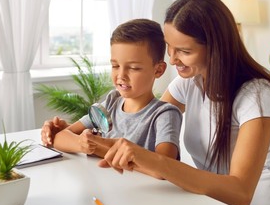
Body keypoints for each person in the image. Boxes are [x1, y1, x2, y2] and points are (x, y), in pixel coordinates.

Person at [42, 0, 270, 205]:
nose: (172, 59)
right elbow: (144, 121)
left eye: (184, 51)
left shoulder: (256, 96)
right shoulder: (188, 83)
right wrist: (80, 134)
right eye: (169, 46)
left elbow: (239, 193)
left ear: (216, 48)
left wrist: (150, 160)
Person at [43, 19, 182, 179]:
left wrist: (97, 147)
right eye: (115, 66)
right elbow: (60, 137)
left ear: (158, 70)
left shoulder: (165, 114)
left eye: (134, 68)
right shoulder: (111, 102)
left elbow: (166, 168)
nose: (121, 76)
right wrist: (83, 144)